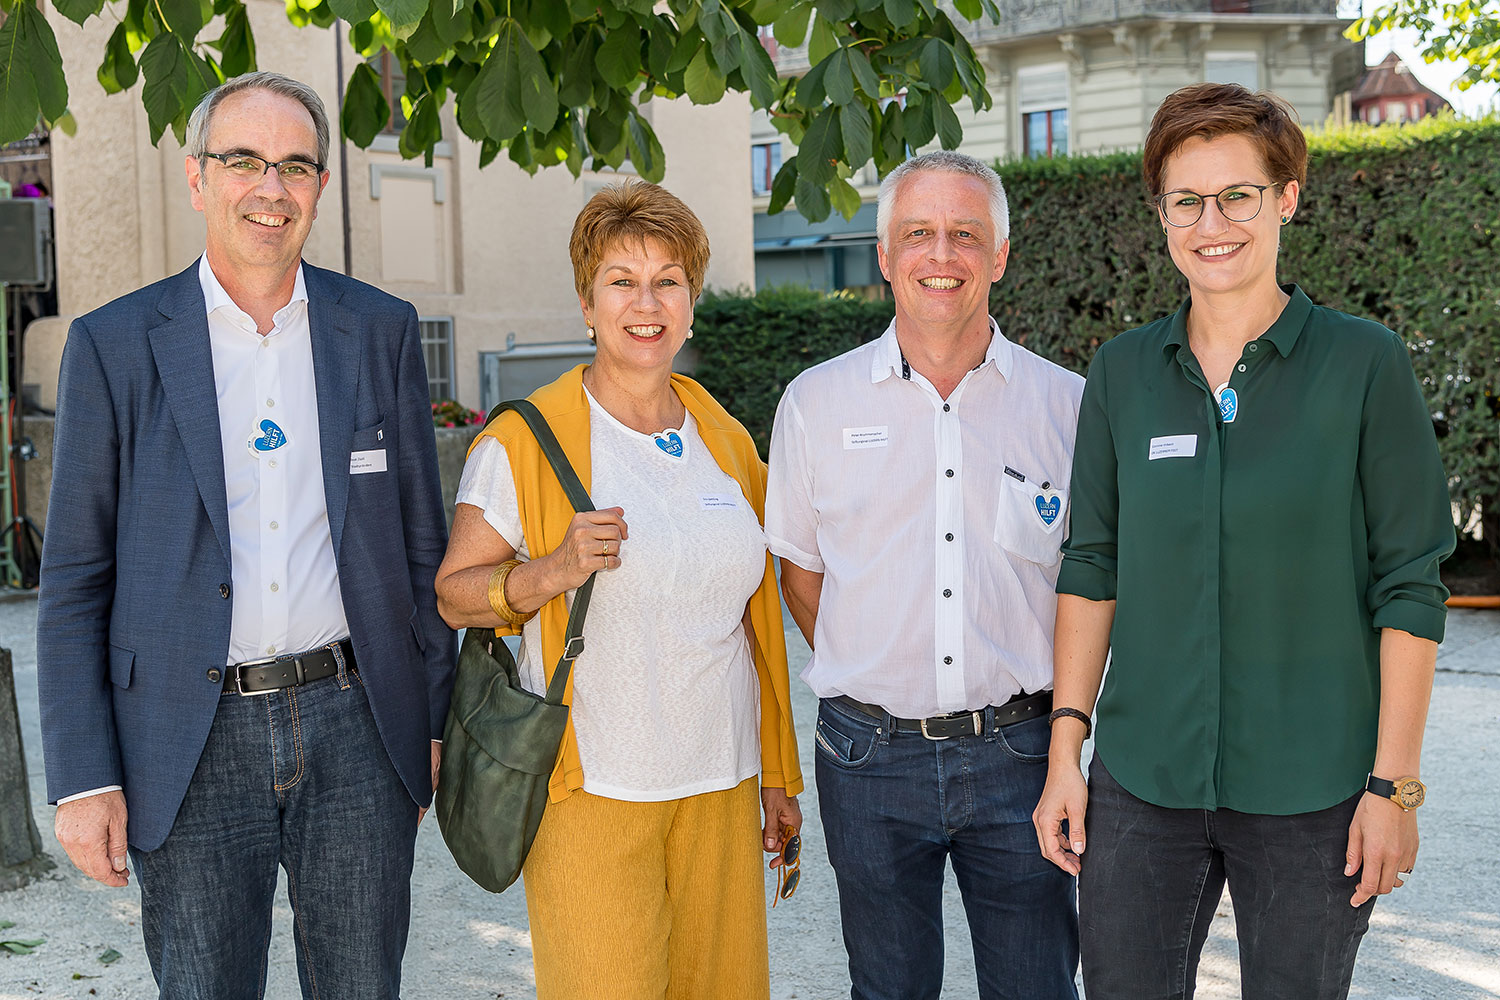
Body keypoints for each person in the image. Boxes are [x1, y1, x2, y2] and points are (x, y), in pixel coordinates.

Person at [1032, 83, 1455, 1000]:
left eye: (1238, 196)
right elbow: (1091, 562)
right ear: (1161, 215)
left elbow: (1411, 587)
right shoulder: (1123, 372)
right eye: (1185, 200)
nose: (1210, 222)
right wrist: (1068, 754)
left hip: (1317, 790)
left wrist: (1393, 789)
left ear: (1287, 198)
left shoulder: (1364, 365)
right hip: (1146, 781)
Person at [36, 72, 454, 999]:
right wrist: (82, 778)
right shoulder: (114, 345)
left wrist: (431, 716)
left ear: (318, 188)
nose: (271, 187)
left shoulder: (379, 331)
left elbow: (423, 548)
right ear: (197, 179)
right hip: (185, 738)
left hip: (357, 727)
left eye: (295, 165)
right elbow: (73, 578)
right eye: (243, 162)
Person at [433, 179, 803, 999]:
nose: (648, 303)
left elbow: (755, 622)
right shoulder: (524, 438)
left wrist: (778, 772)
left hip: (723, 782)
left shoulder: (727, 438)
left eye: (668, 280)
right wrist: (551, 571)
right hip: (590, 787)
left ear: (693, 300)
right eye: (622, 281)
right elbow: (454, 594)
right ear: (587, 301)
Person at [767, 150, 1083, 1000]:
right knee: (888, 989)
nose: (941, 256)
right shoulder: (814, 404)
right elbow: (802, 573)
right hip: (867, 756)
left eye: (965, 235)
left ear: (1001, 255)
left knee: (1036, 988)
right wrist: (877, 656)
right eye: (918, 234)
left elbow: (1090, 587)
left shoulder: (1069, 407)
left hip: (1023, 753)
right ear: (884, 255)